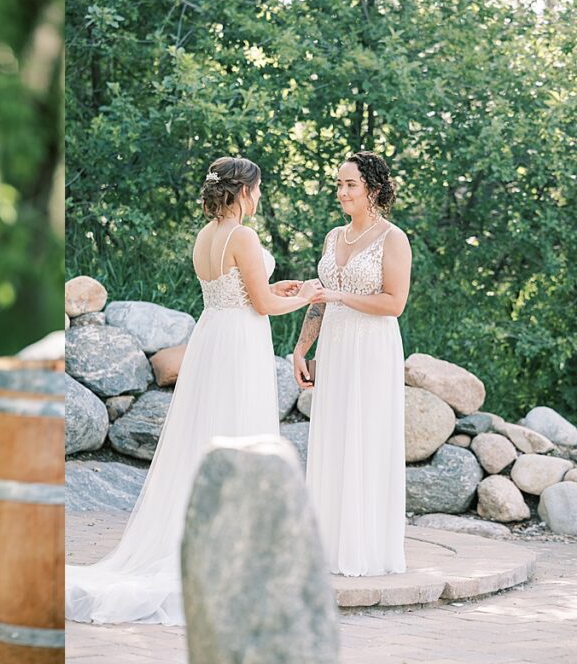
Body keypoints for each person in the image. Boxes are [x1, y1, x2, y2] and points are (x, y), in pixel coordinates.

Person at [65, 156, 320, 626]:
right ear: (244, 192)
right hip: (240, 343)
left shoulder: (207, 236)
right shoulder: (242, 235)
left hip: (213, 337)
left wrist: (276, 287)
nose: (258, 198)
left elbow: (242, 291)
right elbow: (260, 304)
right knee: (240, 435)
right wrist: (308, 296)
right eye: (257, 190)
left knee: (207, 435)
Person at [293, 152, 412, 576]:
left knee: (366, 438)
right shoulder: (332, 237)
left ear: (373, 190)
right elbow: (321, 297)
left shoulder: (393, 238)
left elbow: (394, 303)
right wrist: (302, 348)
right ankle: (326, 544)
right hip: (336, 349)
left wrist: (340, 297)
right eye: (339, 184)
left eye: (350, 185)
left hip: (371, 350)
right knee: (334, 437)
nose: (341, 192)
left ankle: (366, 548)